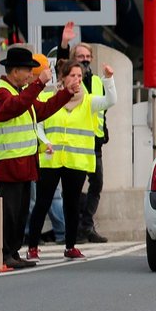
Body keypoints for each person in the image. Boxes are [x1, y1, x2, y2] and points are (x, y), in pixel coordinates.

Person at [0, 45, 78, 269]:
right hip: (8, 164)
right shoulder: (1, 92)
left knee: (19, 214)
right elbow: (13, 108)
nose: (31, 74)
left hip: (24, 163)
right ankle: (5, 253)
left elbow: (43, 109)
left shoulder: (20, 92)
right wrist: (39, 84)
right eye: (27, 70)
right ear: (14, 71)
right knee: (9, 213)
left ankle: (14, 252)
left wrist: (66, 93)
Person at [25, 59, 117, 261]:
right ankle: (32, 246)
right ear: (63, 78)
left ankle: (70, 246)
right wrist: (44, 141)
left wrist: (108, 79)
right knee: (42, 202)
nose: (77, 79)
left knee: (72, 204)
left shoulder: (88, 100)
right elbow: (38, 123)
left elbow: (110, 100)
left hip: (76, 161)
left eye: (79, 76)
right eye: (73, 75)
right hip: (51, 159)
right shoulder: (50, 97)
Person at [57, 22, 108, 243]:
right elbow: (60, 65)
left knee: (97, 184)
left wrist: (104, 132)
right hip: (74, 144)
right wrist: (65, 44)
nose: (85, 59)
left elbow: (104, 109)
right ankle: (76, 227)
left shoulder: (97, 81)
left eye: (88, 56)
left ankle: (86, 224)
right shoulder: (72, 80)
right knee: (73, 189)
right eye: (80, 56)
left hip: (94, 143)